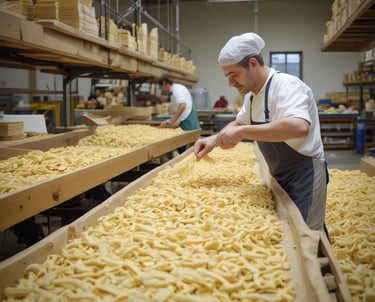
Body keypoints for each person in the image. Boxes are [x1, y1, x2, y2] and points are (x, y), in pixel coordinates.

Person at [194, 32, 328, 231]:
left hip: (305, 174)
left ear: (253, 63)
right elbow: (239, 123)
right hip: (280, 174)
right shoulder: (252, 96)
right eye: (227, 76)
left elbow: (299, 127)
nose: (230, 83)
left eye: (234, 74)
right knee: (290, 232)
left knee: (307, 234)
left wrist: (243, 132)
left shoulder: (286, 86)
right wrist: (214, 139)